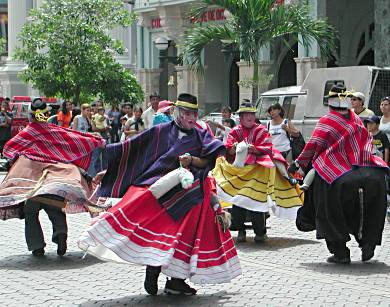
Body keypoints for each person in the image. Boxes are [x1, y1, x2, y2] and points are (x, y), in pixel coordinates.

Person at [78, 93, 241, 296]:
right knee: (157, 229)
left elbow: (210, 158)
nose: (192, 118)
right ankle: (153, 269)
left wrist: (192, 160)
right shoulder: (160, 131)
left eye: (194, 114)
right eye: (188, 113)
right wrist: (108, 168)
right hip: (158, 188)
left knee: (184, 238)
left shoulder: (201, 134)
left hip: (190, 196)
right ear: (178, 114)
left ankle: (176, 281)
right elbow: (132, 149)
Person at [290, 85, 388, 264]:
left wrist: (298, 163)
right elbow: (365, 141)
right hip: (364, 163)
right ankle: (368, 244)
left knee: (323, 200)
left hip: (335, 166)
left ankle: (340, 252)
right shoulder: (357, 120)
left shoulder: (326, 120)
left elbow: (314, 144)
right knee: (375, 190)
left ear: (330, 103)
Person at [0, 98, 104, 256]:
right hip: (56, 182)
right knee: (56, 210)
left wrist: (23, 154)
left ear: (31, 116)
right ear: (45, 114)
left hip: (32, 185)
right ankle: (61, 236)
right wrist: (95, 140)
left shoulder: (28, 132)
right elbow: (74, 136)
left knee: (31, 213)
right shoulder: (54, 131)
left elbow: (9, 148)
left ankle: (37, 246)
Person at [212, 101, 303, 243]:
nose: (249, 117)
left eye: (252, 114)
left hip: (258, 172)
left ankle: (260, 232)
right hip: (240, 174)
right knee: (238, 202)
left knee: (257, 204)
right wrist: (234, 149)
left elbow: (268, 148)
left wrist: (253, 149)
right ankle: (240, 230)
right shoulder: (235, 131)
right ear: (240, 117)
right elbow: (228, 149)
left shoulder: (261, 130)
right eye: (246, 115)